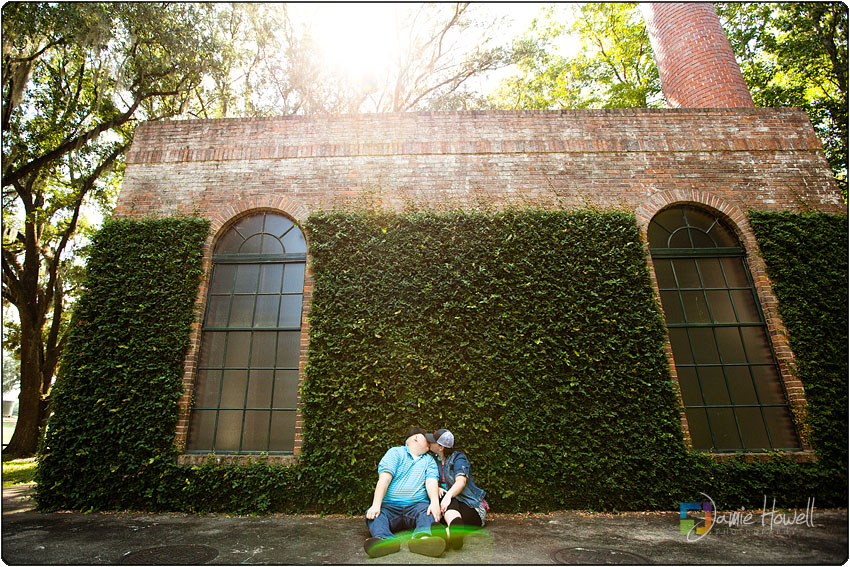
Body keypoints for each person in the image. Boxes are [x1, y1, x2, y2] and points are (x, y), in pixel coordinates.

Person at [363, 427, 446, 558]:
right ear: (416, 438)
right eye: (427, 439)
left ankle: (422, 540)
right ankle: (385, 540)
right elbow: (384, 480)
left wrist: (435, 502)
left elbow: (431, 482)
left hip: (417, 506)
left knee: (428, 512)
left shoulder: (429, 460)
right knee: (374, 515)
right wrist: (376, 504)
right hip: (390, 506)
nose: (430, 443)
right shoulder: (395, 453)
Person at [426, 428, 488, 550]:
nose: (429, 443)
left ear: (441, 447)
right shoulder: (432, 460)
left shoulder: (458, 458)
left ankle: (448, 534)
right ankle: (451, 535)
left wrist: (448, 496)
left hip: (471, 508)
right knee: (445, 502)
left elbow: (461, 481)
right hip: (451, 511)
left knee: (448, 498)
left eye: (432, 442)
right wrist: (436, 487)